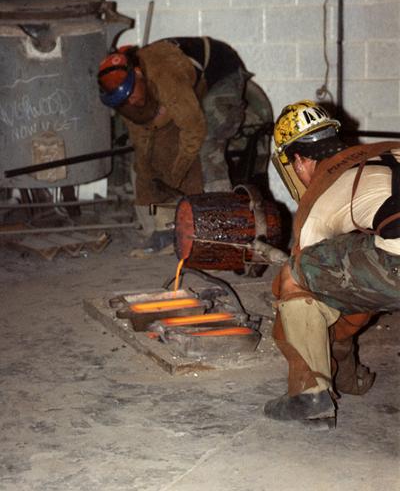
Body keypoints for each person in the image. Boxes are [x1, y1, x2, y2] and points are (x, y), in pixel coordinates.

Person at [264, 100, 400, 428]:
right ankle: (345, 375)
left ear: (298, 160)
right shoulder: (387, 152)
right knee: (355, 263)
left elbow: (323, 295)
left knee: (294, 278)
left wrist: (332, 347)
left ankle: (310, 393)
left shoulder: (323, 193)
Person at [97, 36, 252, 248]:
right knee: (159, 146)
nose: (130, 102)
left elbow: (194, 129)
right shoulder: (126, 99)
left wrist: (176, 176)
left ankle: (224, 225)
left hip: (221, 72)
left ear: (138, 74)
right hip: (187, 82)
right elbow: (142, 146)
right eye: (123, 102)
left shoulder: (164, 75)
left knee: (207, 143)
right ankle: (162, 228)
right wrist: (148, 191)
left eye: (131, 95)